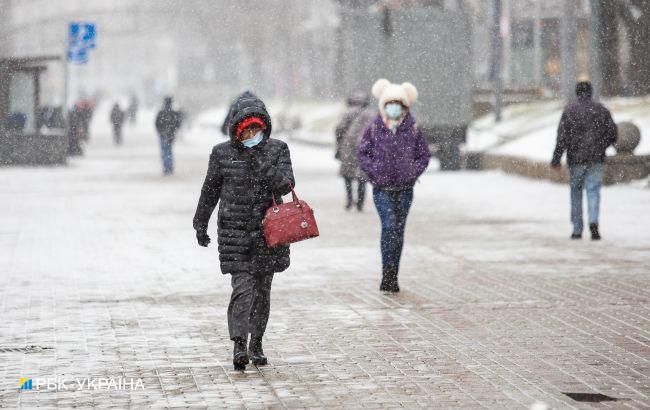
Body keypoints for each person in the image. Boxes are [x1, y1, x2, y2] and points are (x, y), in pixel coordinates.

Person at [193, 92, 295, 371]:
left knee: (262, 291)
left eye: (256, 129)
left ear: (264, 127)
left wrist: (260, 162)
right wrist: (200, 223)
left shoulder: (277, 150)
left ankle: (257, 342)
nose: (251, 134)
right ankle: (239, 343)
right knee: (242, 290)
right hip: (234, 234)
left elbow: (286, 185)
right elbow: (209, 191)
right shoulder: (221, 153)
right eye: (246, 129)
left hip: (268, 235)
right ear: (236, 129)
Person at [358, 79, 431, 293]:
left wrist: (412, 171)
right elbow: (362, 153)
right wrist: (374, 172)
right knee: (388, 226)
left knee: (398, 231)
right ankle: (385, 271)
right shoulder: (374, 127)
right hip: (382, 189)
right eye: (389, 102)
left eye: (398, 103)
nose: (394, 107)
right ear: (383, 104)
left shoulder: (413, 128)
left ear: (405, 105)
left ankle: (393, 274)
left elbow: (424, 155)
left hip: (405, 189)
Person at [551, 81, 617, 240]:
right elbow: (613, 133)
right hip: (596, 158)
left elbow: (562, 137)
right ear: (591, 92)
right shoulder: (601, 110)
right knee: (593, 190)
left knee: (576, 192)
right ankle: (593, 222)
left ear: (576, 93)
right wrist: (601, 147)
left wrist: (556, 159)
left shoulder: (569, 111)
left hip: (576, 159)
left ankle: (577, 228)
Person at [335, 92, 374, 211]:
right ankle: (360, 203)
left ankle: (349, 200)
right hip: (364, 147)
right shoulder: (371, 114)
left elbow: (339, 129)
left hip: (348, 147)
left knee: (348, 175)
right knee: (362, 176)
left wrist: (339, 144)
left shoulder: (347, 113)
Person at [155, 96, 182, 175]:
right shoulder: (174, 113)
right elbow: (178, 124)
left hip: (163, 135)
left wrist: (160, 131)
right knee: (169, 151)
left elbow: (157, 123)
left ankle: (166, 167)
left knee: (164, 151)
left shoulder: (161, 113)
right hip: (171, 135)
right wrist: (173, 130)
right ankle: (169, 167)